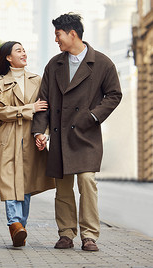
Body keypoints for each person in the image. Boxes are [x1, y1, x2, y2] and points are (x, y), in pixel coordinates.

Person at [32, 13, 122, 252]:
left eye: (58, 35)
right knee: (62, 187)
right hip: (60, 135)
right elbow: (44, 101)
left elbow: (114, 95)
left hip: (85, 135)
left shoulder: (102, 63)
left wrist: (93, 116)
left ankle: (89, 235)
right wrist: (39, 132)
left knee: (87, 181)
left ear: (73, 34)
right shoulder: (54, 64)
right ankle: (66, 233)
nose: (56, 40)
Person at [0, 41, 55, 247]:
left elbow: (45, 110)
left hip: (29, 135)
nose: (24, 53)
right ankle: (15, 224)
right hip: (9, 137)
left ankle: (20, 228)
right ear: (8, 57)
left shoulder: (38, 80)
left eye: (24, 50)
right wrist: (29, 108)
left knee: (25, 184)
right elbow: (2, 111)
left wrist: (42, 134)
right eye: (18, 50)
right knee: (10, 182)